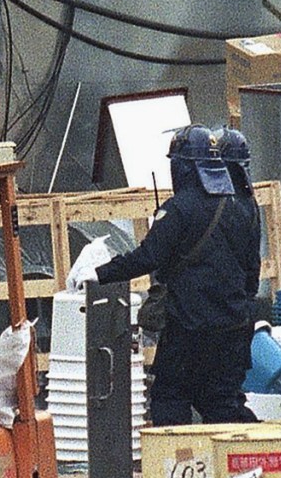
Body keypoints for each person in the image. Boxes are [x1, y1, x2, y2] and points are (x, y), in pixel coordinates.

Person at [84, 126, 260, 427]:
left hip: (189, 329)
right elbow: (252, 275)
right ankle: (251, 463)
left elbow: (147, 257)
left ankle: (178, 467)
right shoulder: (246, 208)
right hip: (234, 327)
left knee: (170, 397)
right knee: (223, 404)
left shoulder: (179, 209)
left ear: (183, 167)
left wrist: (101, 273)